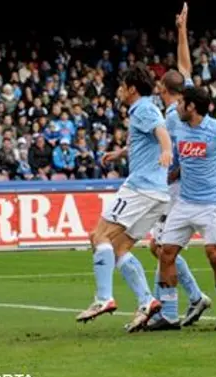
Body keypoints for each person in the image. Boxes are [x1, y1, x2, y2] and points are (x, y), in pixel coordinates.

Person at [75, 63, 173, 333]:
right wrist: (119, 154)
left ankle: (104, 298)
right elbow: (143, 141)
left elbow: (161, 134)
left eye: (121, 86)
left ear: (131, 89)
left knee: (99, 236)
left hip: (140, 188)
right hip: (158, 193)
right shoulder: (143, 109)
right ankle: (146, 301)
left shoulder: (143, 108)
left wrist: (167, 151)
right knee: (120, 249)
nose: (118, 90)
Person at [156, 86, 216, 331]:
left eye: (180, 104)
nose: (176, 108)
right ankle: (169, 316)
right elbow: (176, 162)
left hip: (213, 204)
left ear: (191, 107)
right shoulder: (178, 129)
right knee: (165, 253)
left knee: (215, 255)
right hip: (185, 202)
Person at [147, 2, 211, 331]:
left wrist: (172, 170)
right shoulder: (183, 99)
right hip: (174, 185)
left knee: (161, 247)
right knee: (158, 247)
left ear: (163, 91)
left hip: (173, 187)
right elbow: (185, 64)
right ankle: (190, 297)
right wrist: (182, 30)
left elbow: (178, 152)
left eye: (159, 88)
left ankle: (173, 307)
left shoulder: (173, 116)